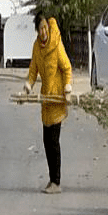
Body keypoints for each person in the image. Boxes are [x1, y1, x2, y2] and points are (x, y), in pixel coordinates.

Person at [24, 13, 73, 194]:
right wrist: (27, 87)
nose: (44, 31)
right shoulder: (37, 47)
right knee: (46, 141)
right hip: (46, 99)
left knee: (53, 141)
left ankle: (56, 182)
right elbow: (33, 71)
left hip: (58, 98)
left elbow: (67, 68)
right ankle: (52, 179)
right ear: (37, 31)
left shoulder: (56, 44)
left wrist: (67, 88)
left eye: (45, 27)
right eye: (40, 28)